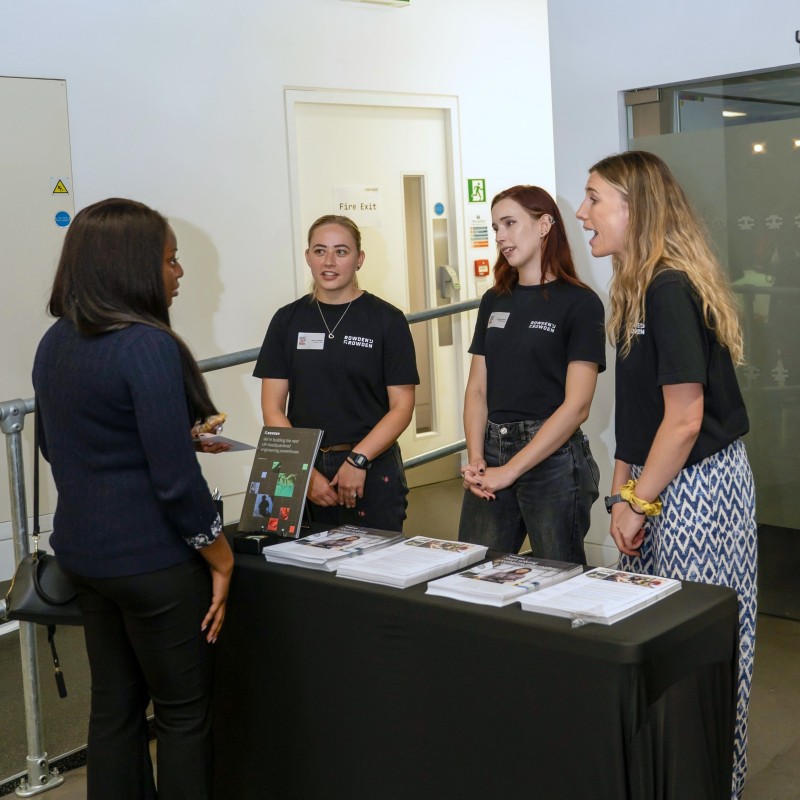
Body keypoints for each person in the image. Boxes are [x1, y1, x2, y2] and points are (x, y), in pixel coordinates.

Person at [32, 198, 234, 800]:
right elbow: (174, 486)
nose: (179, 274)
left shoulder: (55, 341)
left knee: (113, 713)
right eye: (171, 261)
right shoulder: (147, 346)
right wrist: (219, 557)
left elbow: (55, 446)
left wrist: (171, 439)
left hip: (86, 559)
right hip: (154, 565)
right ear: (133, 267)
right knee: (182, 716)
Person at [576, 150, 757, 800]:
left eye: (594, 197)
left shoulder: (669, 287)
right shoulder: (632, 289)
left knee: (695, 646)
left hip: (699, 485)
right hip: (656, 485)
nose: (582, 211)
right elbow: (636, 416)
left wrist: (636, 504)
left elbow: (685, 419)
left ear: (634, 207)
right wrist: (622, 493)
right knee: (653, 635)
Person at [458, 185, 605, 563]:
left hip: (552, 459)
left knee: (559, 583)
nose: (501, 237)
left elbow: (577, 407)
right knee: (475, 575)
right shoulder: (495, 299)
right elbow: (477, 390)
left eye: (510, 223)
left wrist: (510, 471)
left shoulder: (581, 303)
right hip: (491, 452)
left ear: (544, 225)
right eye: (495, 228)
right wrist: (477, 458)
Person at [254, 214, 418, 532]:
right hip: (305, 465)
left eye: (341, 251)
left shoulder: (387, 320)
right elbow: (272, 408)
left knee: (372, 575)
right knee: (303, 574)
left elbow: (402, 407)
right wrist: (301, 470)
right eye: (319, 251)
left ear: (359, 259)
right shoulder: (286, 320)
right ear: (308, 257)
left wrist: (358, 460)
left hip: (371, 466)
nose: (329, 261)